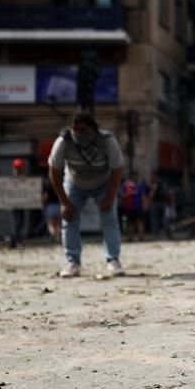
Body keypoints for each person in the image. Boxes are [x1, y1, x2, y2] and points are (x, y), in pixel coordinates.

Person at [48, 110, 125, 277]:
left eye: (83, 130)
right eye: (76, 130)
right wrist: (64, 202)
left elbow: (117, 170)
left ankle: (113, 259)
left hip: (103, 183)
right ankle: (72, 262)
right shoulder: (63, 142)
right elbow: (54, 171)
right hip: (74, 183)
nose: (79, 134)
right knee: (69, 219)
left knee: (109, 218)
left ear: (93, 129)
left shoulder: (107, 140)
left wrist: (110, 197)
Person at [121, 171, 147, 242]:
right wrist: (129, 193)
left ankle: (141, 237)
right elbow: (122, 195)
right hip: (130, 207)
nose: (135, 178)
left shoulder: (140, 185)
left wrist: (144, 205)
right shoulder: (126, 185)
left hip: (138, 206)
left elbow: (143, 196)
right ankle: (130, 237)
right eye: (133, 176)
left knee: (140, 222)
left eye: (135, 176)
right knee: (131, 223)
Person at [8, 158, 28, 248]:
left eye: (20, 167)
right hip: (13, 204)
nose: (18, 169)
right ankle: (17, 241)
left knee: (20, 222)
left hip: (22, 203)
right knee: (17, 222)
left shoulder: (24, 178)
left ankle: (13, 242)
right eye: (17, 167)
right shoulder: (11, 178)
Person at [145, 171, 167, 236]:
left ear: (155, 176)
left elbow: (152, 194)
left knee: (154, 218)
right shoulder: (163, 183)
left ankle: (156, 233)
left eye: (152, 175)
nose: (151, 177)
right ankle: (164, 232)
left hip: (155, 203)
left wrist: (148, 203)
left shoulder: (155, 183)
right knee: (162, 218)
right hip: (162, 203)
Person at [41, 174, 62, 243]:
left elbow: (45, 197)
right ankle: (58, 236)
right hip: (59, 205)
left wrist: (43, 205)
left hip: (50, 206)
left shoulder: (48, 186)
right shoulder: (59, 184)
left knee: (51, 224)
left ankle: (53, 235)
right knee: (58, 223)